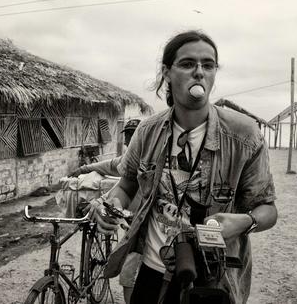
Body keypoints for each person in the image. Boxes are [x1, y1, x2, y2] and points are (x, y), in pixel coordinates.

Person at [89, 30, 278, 304]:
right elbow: (127, 183)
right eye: (188, 64)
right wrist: (112, 206)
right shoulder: (148, 131)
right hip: (153, 270)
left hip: (214, 278)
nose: (199, 72)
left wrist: (245, 221)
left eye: (208, 65)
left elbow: (268, 210)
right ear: (167, 73)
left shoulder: (243, 134)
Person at [70, 119, 142, 304]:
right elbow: (106, 166)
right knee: (129, 274)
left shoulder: (152, 162)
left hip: (150, 226)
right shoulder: (127, 162)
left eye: (133, 135)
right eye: (127, 136)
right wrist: (81, 169)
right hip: (131, 227)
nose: (129, 140)